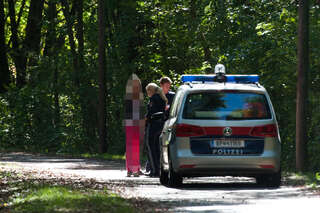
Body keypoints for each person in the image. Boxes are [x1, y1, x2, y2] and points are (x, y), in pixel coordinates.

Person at [144, 83, 167, 177]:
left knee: (150, 147)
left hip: (153, 124)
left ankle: (154, 170)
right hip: (161, 124)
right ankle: (159, 169)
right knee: (158, 148)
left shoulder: (153, 98)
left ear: (151, 90)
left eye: (147, 91)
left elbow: (151, 112)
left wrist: (146, 118)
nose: (147, 93)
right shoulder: (162, 98)